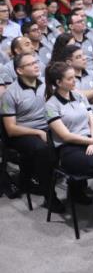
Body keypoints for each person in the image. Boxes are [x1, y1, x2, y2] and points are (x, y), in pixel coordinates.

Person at [1, 53, 62, 212]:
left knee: (69, 142)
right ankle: (49, 196)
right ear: (19, 70)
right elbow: (11, 129)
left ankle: (77, 189)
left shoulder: (46, 85)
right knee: (43, 149)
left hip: (46, 127)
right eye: (31, 64)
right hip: (21, 133)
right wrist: (36, 132)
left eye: (36, 62)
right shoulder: (10, 93)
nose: (36, 65)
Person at [44, 62, 93, 205]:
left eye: (74, 77)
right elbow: (65, 136)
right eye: (70, 78)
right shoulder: (51, 105)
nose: (75, 81)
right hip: (69, 148)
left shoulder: (79, 96)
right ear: (58, 82)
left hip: (89, 140)